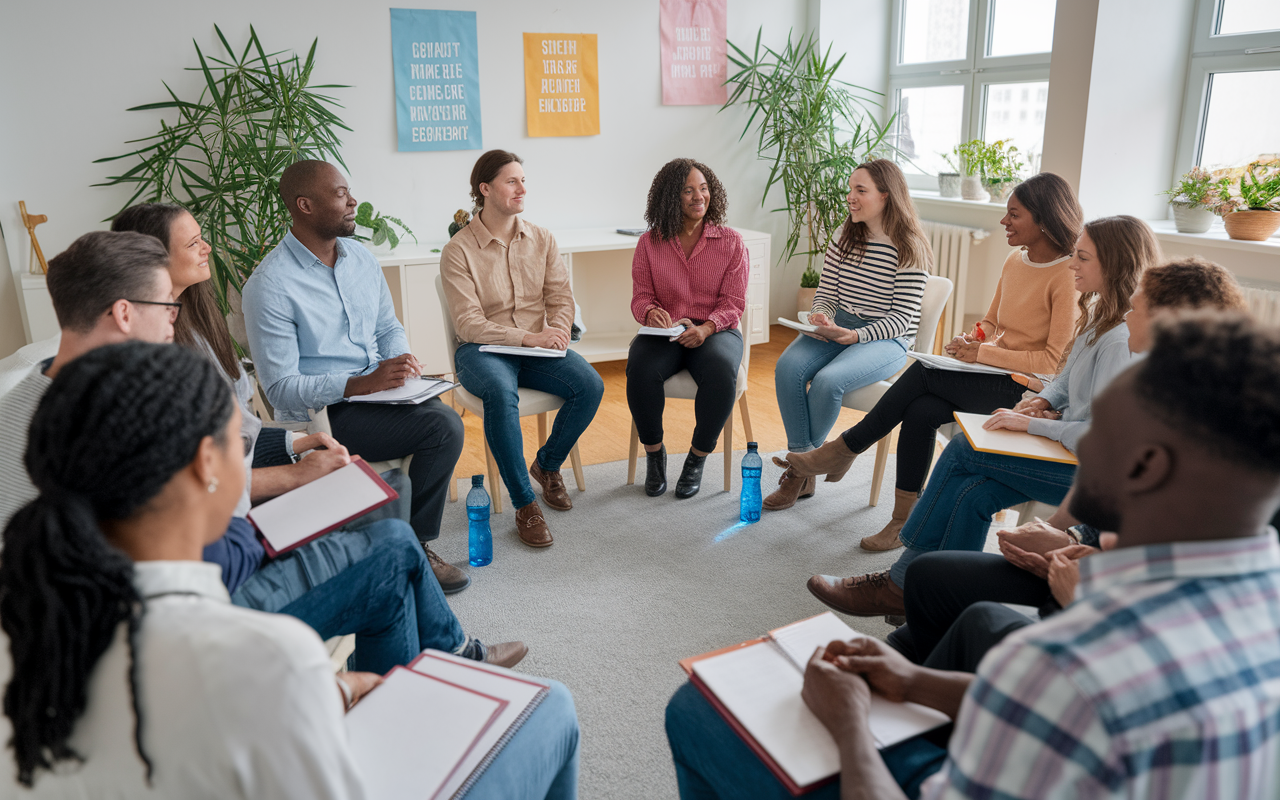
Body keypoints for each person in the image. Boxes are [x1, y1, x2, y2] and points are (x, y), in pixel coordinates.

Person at [666, 312, 1280, 799]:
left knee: (698, 710)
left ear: (1146, 464)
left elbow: (1058, 698)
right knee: (969, 613)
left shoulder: (1069, 662)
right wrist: (911, 681)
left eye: (1104, 425)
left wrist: (851, 724)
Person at [0, 342, 581, 799]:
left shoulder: (31, 626)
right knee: (551, 705)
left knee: (387, 557)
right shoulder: (267, 657)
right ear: (207, 463)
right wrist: (311, 696)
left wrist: (322, 695)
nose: (249, 451)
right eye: (240, 438)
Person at [0, 230, 526, 673]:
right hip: (200, 602)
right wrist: (293, 483)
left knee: (378, 508)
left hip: (207, 560)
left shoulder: (31, 397)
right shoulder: (112, 412)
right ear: (122, 312)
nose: (172, 319)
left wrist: (289, 458)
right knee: (388, 544)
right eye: (166, 305)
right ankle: (428, 676)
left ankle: (429, 669)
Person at [888, 257, 1249, 667]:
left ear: (1169, 323)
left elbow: (1168, 551)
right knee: (939, 561)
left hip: (1109, 586)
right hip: (1085, 553)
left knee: (972, 608)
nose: (1128, 317)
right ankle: (907, 630)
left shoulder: (1203, 429)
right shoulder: (1149, 389)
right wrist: (1066, 536)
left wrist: (1080, 554)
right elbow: (1104, 486)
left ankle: (909, 637)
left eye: (1138, 310)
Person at [808, 216, 1160, 619]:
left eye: (1082, 257)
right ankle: (943, 600)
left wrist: (1032, 423)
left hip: (1089, 471)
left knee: (962, 449)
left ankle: (900, 581)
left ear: (1113, 265)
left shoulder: (1119, 340)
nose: (1071, 264)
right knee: (973, 493)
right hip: (1064, 444)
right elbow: (1064, 380)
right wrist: (1042, 401)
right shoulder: (1102, 316)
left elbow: (1101, 439)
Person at [772, 172, 1083, 551]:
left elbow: (1052, 362)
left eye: (1014, 215)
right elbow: (992, 321)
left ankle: (843, 449)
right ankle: (902, 522)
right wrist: (974, 338)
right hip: (990, 371)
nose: (1004, 222)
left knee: (922, 373)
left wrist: (982, 352)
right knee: (921, 410)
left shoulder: (1066, 275)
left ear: (1045, 220)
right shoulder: (1015, 260)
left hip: (1027, 388)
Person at [241, 159, 468, 592]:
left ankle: (406, 539)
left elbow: (386, 326)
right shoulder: (269, 285)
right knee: (441, 427)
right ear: (304, 205)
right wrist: (358, 384)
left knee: (438, 414)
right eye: (341, 194)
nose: (354, 202)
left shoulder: (360, 258)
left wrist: (401, 362)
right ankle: (413, 546)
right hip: (324, 416)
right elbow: (280, 388)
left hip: (377, 395)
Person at [440, 150, 604, 547]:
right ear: (486, 189)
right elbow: (469, 324)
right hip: (482, 352)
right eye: (512, 181)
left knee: (591, 385)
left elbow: (561, 298)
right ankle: (524, 503)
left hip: (536, 349)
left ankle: (546, 466)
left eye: (523, 180)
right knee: (500, 392)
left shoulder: (542, 239)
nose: (522, 188)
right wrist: (531, 338)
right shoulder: (459, 250)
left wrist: (560, 332)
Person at [766, 159, 931, 510]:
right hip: (839, 323)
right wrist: (822, 313)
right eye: (850, 189)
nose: (850, 197)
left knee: (828, 381)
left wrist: (856, 337)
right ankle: (807, 464)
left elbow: (902, 319)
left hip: (888, 339)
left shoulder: (910, 246)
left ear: (886, 196)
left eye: (861, 190)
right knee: (787, 368)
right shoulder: (845, 234)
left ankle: (797, 473)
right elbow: (827, 290)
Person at [627, 158, 749, 498]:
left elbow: (733, 303)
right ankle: (654, 455)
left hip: (715, 331)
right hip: (665, 333)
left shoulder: (731, 242)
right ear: (670, 197)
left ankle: (696, 459)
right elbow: (640, 297)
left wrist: (707, 328)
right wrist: (651, 312)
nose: (699, 197)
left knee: (722, 371)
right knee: (640, 369)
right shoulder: (650, 243)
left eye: (704, 188)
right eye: (688, 191)